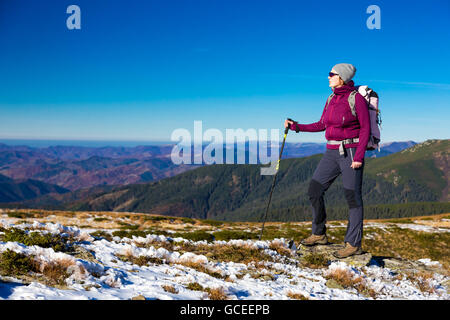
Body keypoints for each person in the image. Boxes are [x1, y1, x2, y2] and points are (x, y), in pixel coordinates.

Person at [284, 63, 370, 258]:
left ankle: (353, 243)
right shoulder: (331, 98)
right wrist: (297, 127)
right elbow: (322, 124)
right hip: (331, 151)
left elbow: (366, 129)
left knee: (352, 197)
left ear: (342, 77)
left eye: (331, 74)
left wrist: (358, 156)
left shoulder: (355, 99)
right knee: (314, 190)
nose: (328, 77)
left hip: (350, 151)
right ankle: (319, 233)